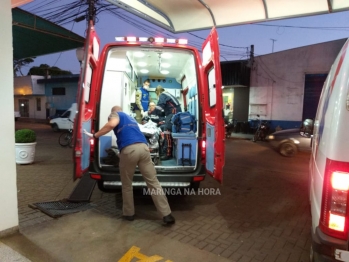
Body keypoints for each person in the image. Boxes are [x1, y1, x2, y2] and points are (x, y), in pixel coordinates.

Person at [83, 105, 175, 225]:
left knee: (127, 184)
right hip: (144, 148)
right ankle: (167, 214)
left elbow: (111, 124)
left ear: (114, 112)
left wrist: (95, 135)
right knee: (153, 182)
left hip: (129, 150)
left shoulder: (116, 114)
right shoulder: (131, 118)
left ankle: (129, 213)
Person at [155, 85, 182, 160]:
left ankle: (167, 154)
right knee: (168, 130)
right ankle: (167, 151)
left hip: (173, 114)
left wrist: (152, 113)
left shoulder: (162, 95)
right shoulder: (168, 94)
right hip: (175, 114)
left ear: (158, 92)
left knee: (167, 131)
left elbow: (159, 107)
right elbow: (165, 110)